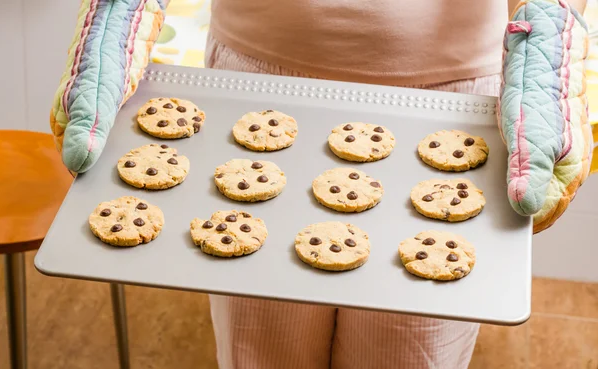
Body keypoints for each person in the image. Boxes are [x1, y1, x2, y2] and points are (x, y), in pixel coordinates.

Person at [51, 0, 588, 368]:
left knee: (410, 354)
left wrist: (546, 70)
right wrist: (114, 24)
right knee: (260, 352)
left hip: (450, 106)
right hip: (254, 83)